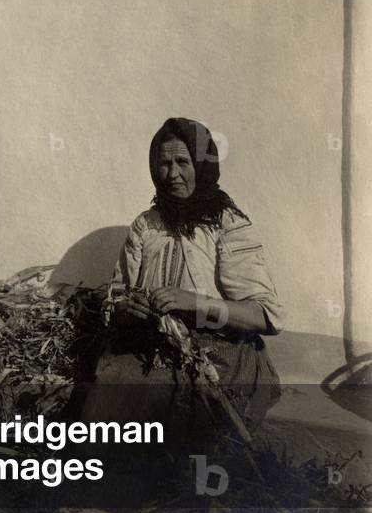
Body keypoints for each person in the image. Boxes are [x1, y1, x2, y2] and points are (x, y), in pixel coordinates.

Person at [80, 117, 284, 437]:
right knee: (107, 408)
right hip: (152, 348)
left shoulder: (227, 225)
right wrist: (124, 309)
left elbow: (265, 316)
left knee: (183, 420)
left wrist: (194, 303)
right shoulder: (146, 225)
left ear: (202, 164)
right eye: (164, 164)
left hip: (220, 354)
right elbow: (118, 294)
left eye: (182, 162)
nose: (172, 174)